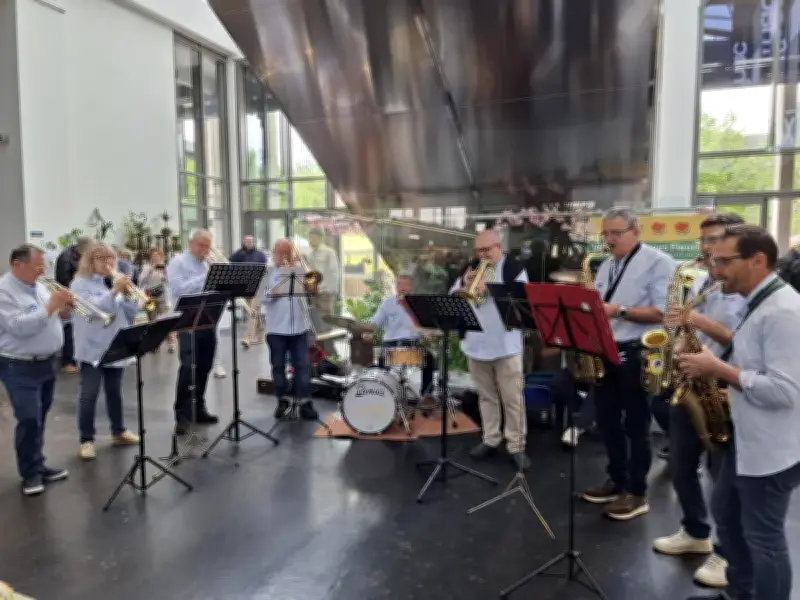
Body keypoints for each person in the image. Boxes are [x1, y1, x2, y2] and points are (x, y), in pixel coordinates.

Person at [678, 224, 800, 600]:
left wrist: (718, 370)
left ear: (758, 260)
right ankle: (741, 591)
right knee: (727, 517)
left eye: (724, 262)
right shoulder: (760, 302)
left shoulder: (783, 312)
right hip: (746, 439)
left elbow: (785, 391)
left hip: (771, 449)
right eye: (713, 261)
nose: (715, 271)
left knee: (764, 538)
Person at [650, 213, 746, 589]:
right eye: (704, 241)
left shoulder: (744, 288)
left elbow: (741, 341)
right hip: (690, 383)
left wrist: (699, 323)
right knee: (681, 464)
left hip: (723, 390)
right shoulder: (703, 282)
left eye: (716, 240)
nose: (707, 249)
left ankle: (727, 551)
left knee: (723, 479)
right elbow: (686, 329)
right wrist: (675, 337)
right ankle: (695, 531)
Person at [581, 206, 675, 520]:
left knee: (636, 425)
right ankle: (616, 478)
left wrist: (617, 311)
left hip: (639, 352)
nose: (609, 240)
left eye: (616, 233)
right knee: (607, 421)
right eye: (605, 233)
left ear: (637, 232)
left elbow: (663, 313)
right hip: (606, 349)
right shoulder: (607, 264)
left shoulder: (659, 263)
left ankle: (637, 492)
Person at [450, 229, 530, 471]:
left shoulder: (515, 268)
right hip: (477, 344)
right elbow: (453, 296)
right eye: (478, 250)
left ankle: (516, 445)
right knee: (486, 397)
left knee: (513, 399)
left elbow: (522, 298)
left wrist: (491, 287)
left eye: (487, 250)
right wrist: (465, 284)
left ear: (499, 247)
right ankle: (491, 438)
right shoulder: (470, 268)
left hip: (506, 346)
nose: (482, 255)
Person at [0, 244, 72, 495]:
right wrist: (51, 306)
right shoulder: (3, 291)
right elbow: (19, 327)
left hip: (46, 362)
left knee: (40, 417)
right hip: (18, 364)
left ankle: (38, 464)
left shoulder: (40, 286)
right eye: (37, 266)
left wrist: (63, 311)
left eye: (44, 265)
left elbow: (52, 318)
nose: (42, 271)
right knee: (29, 418)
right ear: (17, 265)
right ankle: (29, 473)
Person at [70, 243, 141, 460]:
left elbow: (127, 315)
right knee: (89, 395)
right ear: (90, 261)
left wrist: (131, 297)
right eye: (102, 259)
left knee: (114, 392)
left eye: (111, 259)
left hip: (113, 344)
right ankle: (86, 440)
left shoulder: (107, 282)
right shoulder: (79, 284)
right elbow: (93, 311)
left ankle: (118, 431)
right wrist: (115, 291)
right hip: (92, 347)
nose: (108, 263)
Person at [167, 230, 219, 434]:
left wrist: (218, 277)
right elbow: (179, 290)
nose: (205, 250)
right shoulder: (178, 262)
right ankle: (182, 415)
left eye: (208, 246)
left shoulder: (206, 264)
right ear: (191, 243)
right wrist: (207, 276)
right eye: (201, 245)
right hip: (188, 321)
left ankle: (199, 408)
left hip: (207, 319)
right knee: (189, 366)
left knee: (205, 366)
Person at [263, 239, 318, 420]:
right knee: (278, 366)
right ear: (274, 252)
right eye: (281, 252)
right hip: (276, 328)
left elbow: (312, 291)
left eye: (288, 252)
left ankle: (305, 403)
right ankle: (282, 400)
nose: (285, 256)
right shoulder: (267, 271)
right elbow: (261, 298)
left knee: (302, 366)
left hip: (299, 327)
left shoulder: (300, 269)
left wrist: (311, 286)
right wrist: (274, 292)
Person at [361, 274, 436, 401]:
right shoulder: (387, 304)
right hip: (391, 343)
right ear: (395, 287)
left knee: (429, 358)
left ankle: (426, 395)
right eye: (399, 285)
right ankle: (382, 393)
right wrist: (368, 331)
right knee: (382, 360)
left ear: (412, 287)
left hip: (413, 343)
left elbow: (427, 326)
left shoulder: (420, 305)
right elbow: (375, 323)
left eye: (406, 285)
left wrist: (428, 335)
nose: (402, 288)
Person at [55, 236, 91, 373]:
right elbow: (64, 280)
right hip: (70, 297)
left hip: (80, 296)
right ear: (82, 248)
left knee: (79, 329)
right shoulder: (65, 258)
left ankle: (78, 358)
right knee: (70, 329)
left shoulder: (79, 256)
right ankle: (67, 361)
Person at [304, 228, 340, 355]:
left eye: (313, 237)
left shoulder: (329, 252)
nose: (310, 240)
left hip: (325, 293)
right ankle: (319, 353)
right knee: (316, 323)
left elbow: (333, 273)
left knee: (326, 322)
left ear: (320, 238)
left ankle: (331, 354)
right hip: (313, 293)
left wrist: (324, 288)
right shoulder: (309, 254)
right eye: (309, 238)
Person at [138, 247, 176, 352]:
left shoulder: (166, 267)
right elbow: (141, 282)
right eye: (153, 256)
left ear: (161, 257)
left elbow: (172, 281)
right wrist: (150, 270)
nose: (155, 258)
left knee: (166, 320)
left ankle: (171, 343)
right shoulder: (146, 267)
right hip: (150, 296)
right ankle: (155, 344)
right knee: (152, 321)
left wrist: (165, 274)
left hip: (163, 296)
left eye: (157, 256)